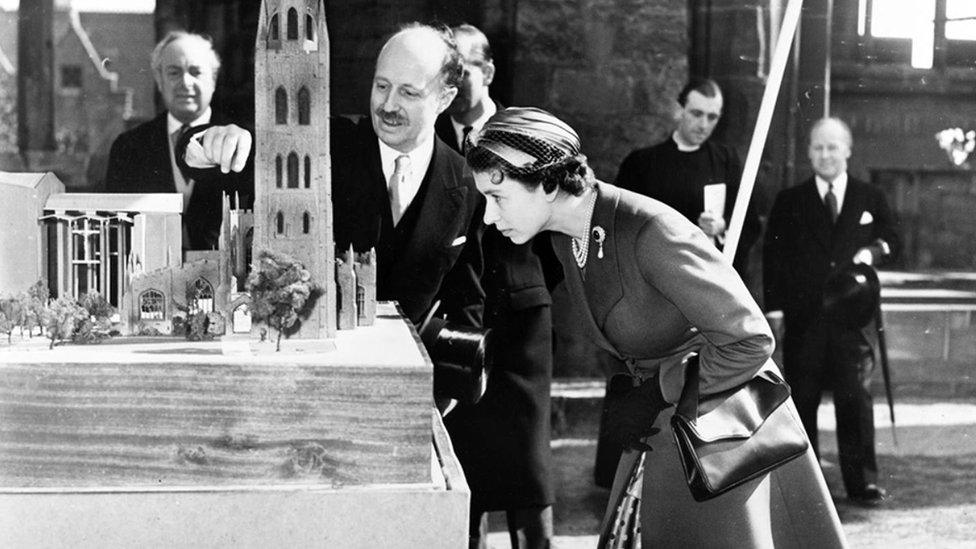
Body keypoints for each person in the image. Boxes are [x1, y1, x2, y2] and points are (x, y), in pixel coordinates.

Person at [467, 106, 847, 546]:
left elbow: (750, 340)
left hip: (720, 442)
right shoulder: (566, 240)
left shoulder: (651, 232)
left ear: (549, 183)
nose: (490, 217)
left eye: (498, 198)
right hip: (662, 435)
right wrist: (631, 389)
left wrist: (657, 390)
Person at [331, 26, 554, 548]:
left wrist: (451, 388)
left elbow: (469, 296)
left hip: (413, 404)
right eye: (381, 86)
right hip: (333, 392)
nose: (388, 104)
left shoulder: (467, 184)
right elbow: (252, 150)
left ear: (446, 97)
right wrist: (207, 143)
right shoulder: (329, 147)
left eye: (409, 92)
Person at [764, 117, 899, 506]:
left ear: (848, 150)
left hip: (853, 321)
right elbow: (773, 259)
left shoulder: (869, 196)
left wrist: (872, 252)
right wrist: (775, 311)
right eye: (818, 147)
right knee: (802, 400)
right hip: (805, 319)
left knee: (855, 399)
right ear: (809, 152)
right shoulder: (791, 200)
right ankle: (806, 484)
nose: (826, 155)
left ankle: (862, 482)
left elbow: (893, 238)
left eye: (833, 147)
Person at [105, 31, 253, 250]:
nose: (186, 82)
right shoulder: (128, 147)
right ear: (159, 80)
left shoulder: (242, 142)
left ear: (213, 79)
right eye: (174, 73)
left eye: (196, 72)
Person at [614, 77, 760, 277]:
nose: (703, 125)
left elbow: (749, 221)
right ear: (678, 110)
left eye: (712, 117)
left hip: (707, 274)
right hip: (658, 274)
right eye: (697, 114)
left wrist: (722, 226)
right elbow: (621, 225)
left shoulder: (726, 161)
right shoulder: (642, 163)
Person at [434, 24, 498, 154]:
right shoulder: (429, 135)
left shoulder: (514, 134)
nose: (451, 85)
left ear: (487, 74)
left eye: (461, 73)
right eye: (443, 74)